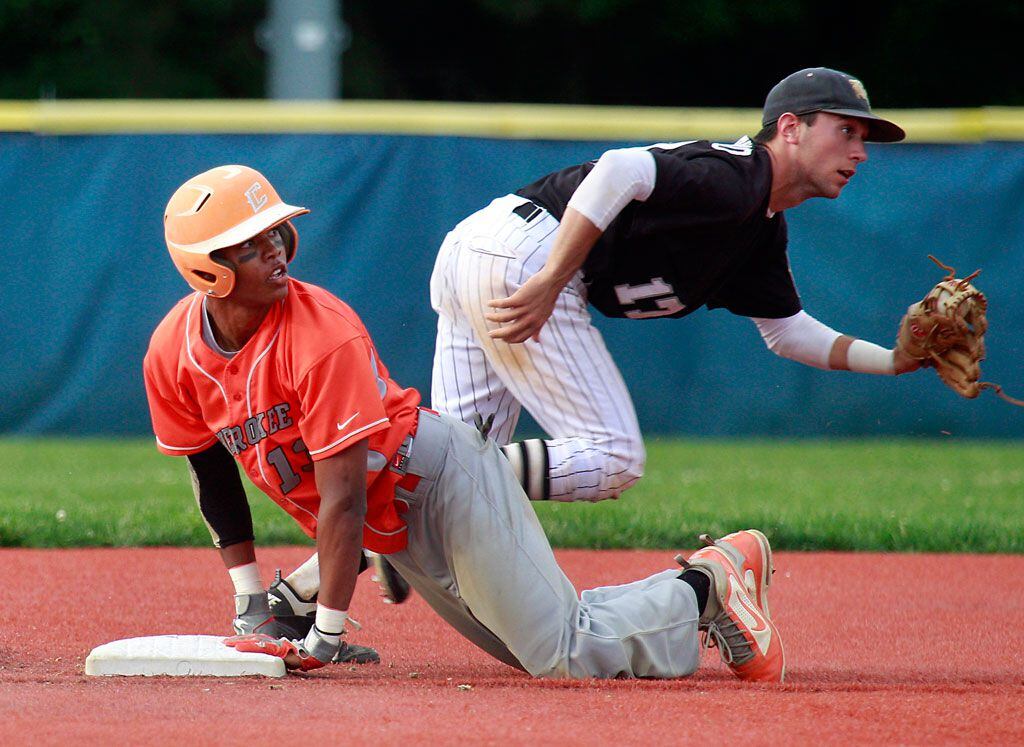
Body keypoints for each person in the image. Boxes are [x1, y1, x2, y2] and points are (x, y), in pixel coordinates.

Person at [144, 164, 785, 681]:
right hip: (395, 516)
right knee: (540, 643)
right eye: (252, 247)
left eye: (277, 235)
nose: (277, 253)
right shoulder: (172, 350)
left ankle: (707, 586)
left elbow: (341, 502)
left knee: (560, 653)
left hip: (439, 479)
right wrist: (250, 602)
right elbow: (210, 467)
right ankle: (697, 589)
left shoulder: (320, 337)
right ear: (207, 268)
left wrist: (325, 636)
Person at [430, 67, 922, 504]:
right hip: (528, 258)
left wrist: (895, 361)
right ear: (791, 128)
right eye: (845, 130)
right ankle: (434, 481)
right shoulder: (736, 177)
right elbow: (619, 170)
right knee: (613, 457)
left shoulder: (759, 224)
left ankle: (411, 486)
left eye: (863, 138)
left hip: (483, 248)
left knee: (453, 456)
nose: (860, 152)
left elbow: (788, 333)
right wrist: (550, 280)